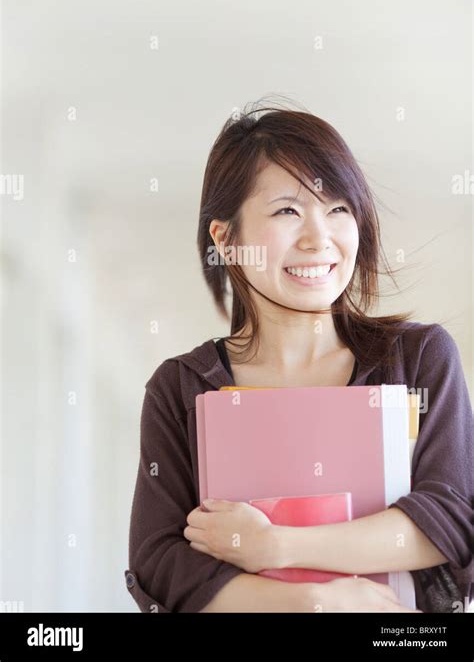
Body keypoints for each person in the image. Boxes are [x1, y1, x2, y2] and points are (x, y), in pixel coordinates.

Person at [125, 101, 473, 613]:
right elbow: (160, 561)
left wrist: (277, 545)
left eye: (338, 209)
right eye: (287, 210)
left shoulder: (418, 359)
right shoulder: (182, 388)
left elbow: (451, 521)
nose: (320, 238)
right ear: (225, 238)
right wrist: (315, 602)